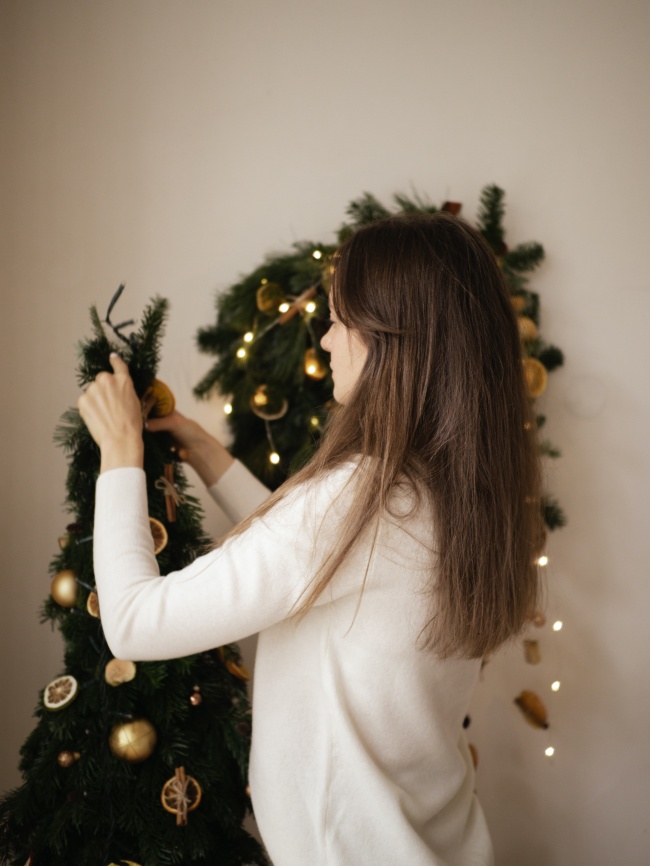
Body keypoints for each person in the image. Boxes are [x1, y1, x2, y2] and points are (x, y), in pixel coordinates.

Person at [79, 212, 542, 866]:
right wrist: (210, 455)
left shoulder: (360, 497)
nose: (326, 340)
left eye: (339, 318)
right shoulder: (456, 493)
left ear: (394, 338)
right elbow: (325, 567)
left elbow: (133, 622)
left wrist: (121, 452)